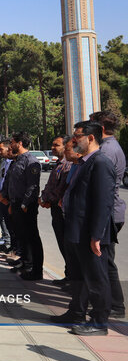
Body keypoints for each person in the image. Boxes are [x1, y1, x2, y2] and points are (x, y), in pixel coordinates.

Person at [51, 121, 116, 335]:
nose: (73, 140)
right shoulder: (83, 162)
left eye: (77, 136)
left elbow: (103, 202)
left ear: (90, 138)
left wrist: (97, 235)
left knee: (96, 279)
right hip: (76, 229)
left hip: (90, 233)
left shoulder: (100, 163)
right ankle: (76, 312)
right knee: (78, 276)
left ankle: (99, 322)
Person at [90, 111, 126, 318]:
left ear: (100, 129)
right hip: (108, 210)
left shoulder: (107, 151)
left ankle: (114, 306)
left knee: (104, 261)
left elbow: (103, 189)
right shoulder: (106, 148)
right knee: (103, 260)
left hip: (108, 212)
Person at [7, 132, 43, 281]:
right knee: (22, 236)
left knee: (32, 237)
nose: (10, 145)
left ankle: (35, 269)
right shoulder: (17, 160)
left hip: (26, 206)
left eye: (12, 142)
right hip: (16, 204)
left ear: (19, 143)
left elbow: (33, 186)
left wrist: (24, 204)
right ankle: (26, 262)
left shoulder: (30, 160)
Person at [39, 135, 73, 285]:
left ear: (66, 146)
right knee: (62, 243)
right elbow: (50, 185)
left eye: (56, 145)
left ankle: (72, 278)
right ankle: (69, 275)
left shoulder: (68, 165)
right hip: (54, 208)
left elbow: (61, 189)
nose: (53, 148)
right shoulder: (59, 164)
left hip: (62, 210)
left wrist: (48, 200)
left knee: (67, 245)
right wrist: (43, 198)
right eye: (52, 145)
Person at [0, 139, 14, 253]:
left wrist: (5, 196)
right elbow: (0, 178)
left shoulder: (13, 162)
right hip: (0, 197)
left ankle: (10, 243)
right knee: (3, 220)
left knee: (11, 224)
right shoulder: (4, 161)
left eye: (1, 149)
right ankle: (8, 242)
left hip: (7, 199)